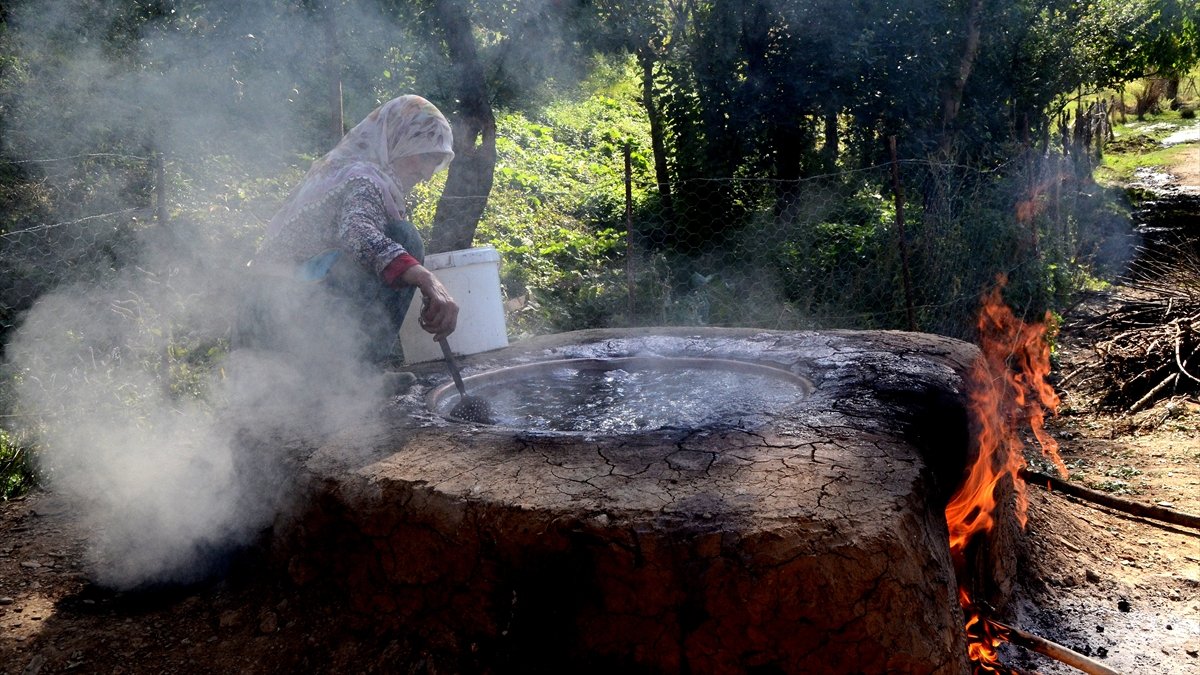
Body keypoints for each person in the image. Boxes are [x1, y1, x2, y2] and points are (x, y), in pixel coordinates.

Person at [241, 95, 460, 366]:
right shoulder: (362, 177)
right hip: (274, 317)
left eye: (434, 162)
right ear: (397, 139)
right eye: (425, 156)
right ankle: (356, 374)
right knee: (405, 238)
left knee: (398, 246)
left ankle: (343, 378)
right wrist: (426, 278)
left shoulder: (344, 172)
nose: (427, 173)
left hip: (278, 311)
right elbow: (358, 234)